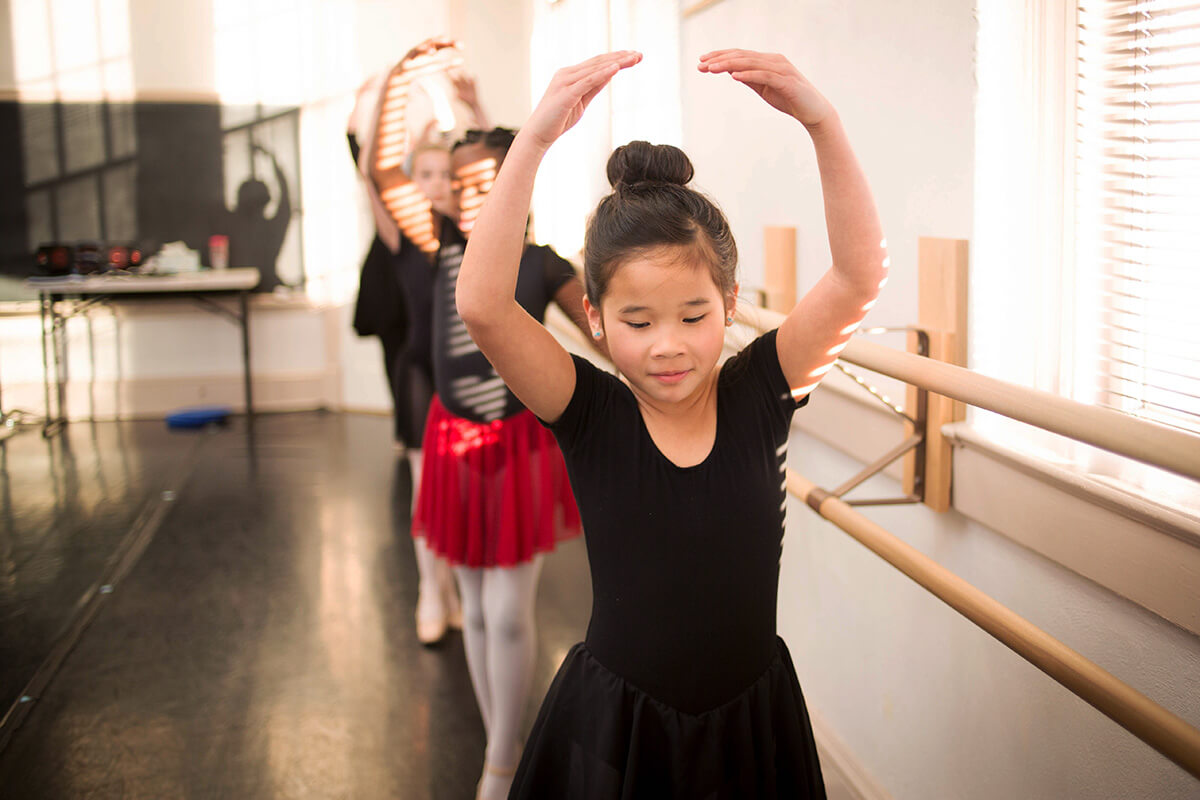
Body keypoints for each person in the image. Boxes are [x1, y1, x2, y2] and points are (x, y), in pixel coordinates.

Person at [454, 50, 889, 798]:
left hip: (750, 724)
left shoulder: (763, 392)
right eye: (637, 321)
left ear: (730, 302)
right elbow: (483, 306)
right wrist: (531, 142)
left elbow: (858, 277)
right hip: (622, 729)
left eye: (693, 316)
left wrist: (822, 123)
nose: (668, 345)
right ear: (594, 317)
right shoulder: (589, 411)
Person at [411, 126, 595, 800]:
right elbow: (381, 176)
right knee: (479, 609)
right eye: (459, 184)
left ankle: (499, 758)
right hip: (453, 440)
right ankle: (502, 747)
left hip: (517, 443)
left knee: (510, 609)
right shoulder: (440, 250)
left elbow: (605, 327)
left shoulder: (541, 263)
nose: (468, 195)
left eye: (484, 183)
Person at [348, 43, 489, 645]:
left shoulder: (474, 231)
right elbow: (372, 172)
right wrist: (394, 87)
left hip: (469, 376)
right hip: (419, 373)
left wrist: (474, 106)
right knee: (426, 491)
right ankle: (433, 591)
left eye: (445, 177)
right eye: (424, 175)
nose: (435, 185)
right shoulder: (402, 234)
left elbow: (497, 166)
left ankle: (462, 586)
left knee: (468, 493)